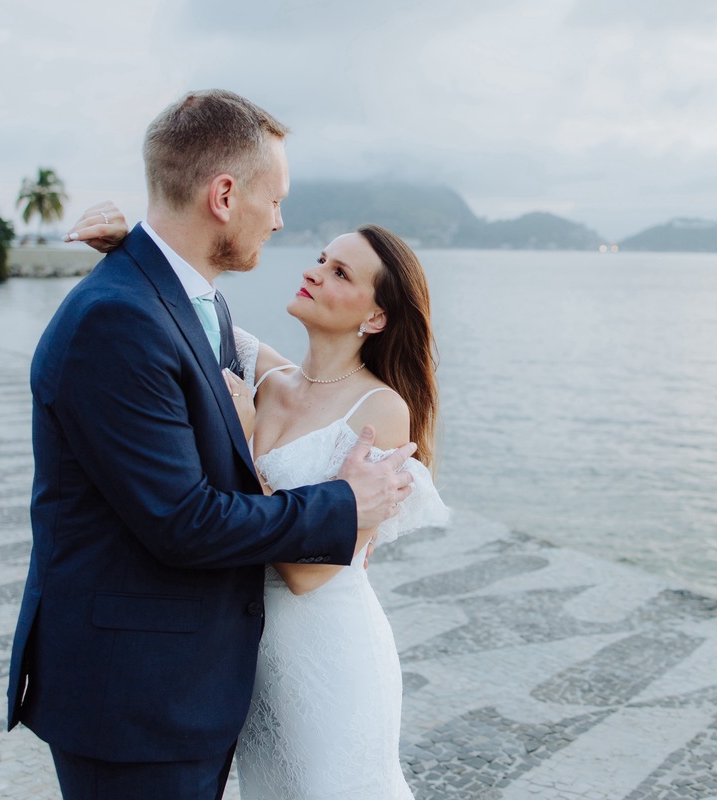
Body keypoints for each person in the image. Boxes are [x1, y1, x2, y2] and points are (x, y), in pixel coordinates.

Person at [6, 89, 417, 800]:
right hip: (132, 700)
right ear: (224, 195)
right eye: (276, 199)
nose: (282, 223)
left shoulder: (192, 303)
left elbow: (298, 385)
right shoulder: (119, 320)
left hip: (195, 686)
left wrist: (134, 246)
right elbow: (182, 521)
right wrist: (345, 504)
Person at [70, 205, 447, 798]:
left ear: (376, 317)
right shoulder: (265, 376)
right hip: (247, 658)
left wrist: (245, 441)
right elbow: (182, 309)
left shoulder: (381, 410)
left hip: (328, 655)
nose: (317, 272)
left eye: (342, 274)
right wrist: (135, 246)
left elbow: (304, 572)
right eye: (323, 259)